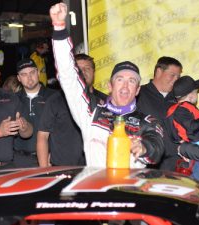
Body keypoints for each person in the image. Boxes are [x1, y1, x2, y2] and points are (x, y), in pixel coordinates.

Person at [49, 2, 164, 168]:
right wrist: (59, 29)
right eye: (120, 80)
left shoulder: (147, 121)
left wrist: (144, 147)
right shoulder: (92, 113)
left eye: (131, 81)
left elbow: (157, 145)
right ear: (110, 86)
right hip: (96, 192)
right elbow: (68, 76)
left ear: (138, 90)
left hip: (129, 192)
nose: (125, 86)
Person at [137, 56, 182, 171]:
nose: (176, 80)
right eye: (172, 75)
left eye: (178, 77)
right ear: (158, 72)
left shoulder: (179, 100)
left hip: (177, 167)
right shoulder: (139, 95)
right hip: (148, 167)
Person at [165, 76, 199, 179]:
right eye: (196, 92)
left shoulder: (180, 109)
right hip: (197, 151)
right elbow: (192, 127)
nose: (197, 95)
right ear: (191, 96)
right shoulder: (181, 109)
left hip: (196, 150)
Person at [14, 58, 55, 168]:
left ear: (38, 73)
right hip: (20, 161)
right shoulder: (12, 100)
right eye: (24, 74)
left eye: (32, 72)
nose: (29, 77)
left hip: (50, 158)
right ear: (19, 78)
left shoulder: (54, 97)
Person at [37, 91, 85, 167]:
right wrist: (44, 169)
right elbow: (43, 135)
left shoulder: (99, 100)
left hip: (92, 165)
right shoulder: (55, 100)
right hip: (61, 166)